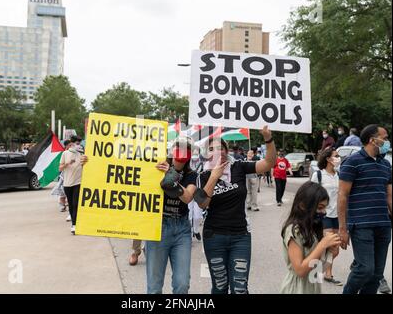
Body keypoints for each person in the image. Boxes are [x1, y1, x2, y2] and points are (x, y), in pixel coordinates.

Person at [194, 126, 276, 294]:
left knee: (240, 288)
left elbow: (269, 163)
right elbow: (203, 203)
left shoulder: (239, 166)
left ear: (226, 150)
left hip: (240, 237)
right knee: (220, 287)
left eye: (221, 147)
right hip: (214, 236)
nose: (218, 151)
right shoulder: (202, 176)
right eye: (212, 149)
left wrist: (268, 139)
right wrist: (214, 176)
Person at [338, 124, 392, 294]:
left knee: (376, 274)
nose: (387, 142)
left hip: (383, 225)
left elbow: (390, 196)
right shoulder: (352, 162)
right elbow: (342, 196)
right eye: (384, 138)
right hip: (361, 225)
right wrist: (342, 228)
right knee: (365, 269)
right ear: (372, 140)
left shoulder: (386, 165)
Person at [146, 137, 197, 294]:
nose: (181, 152)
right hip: (157, 227)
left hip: (181, 229)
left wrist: (171, 174)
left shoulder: (191, 174)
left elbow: (187, 197)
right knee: (154, 287)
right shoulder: (155, 165)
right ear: (171, 150)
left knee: (182, 284)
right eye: (178, 147)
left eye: (185, 149)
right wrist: (89, 162)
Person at [280, 181, 341, 294]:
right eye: (320, 207)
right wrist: (322, 245)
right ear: (303, 206)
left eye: (325, 208)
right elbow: (300, 270)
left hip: (313, 285)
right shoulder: (294, 231)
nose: (324, 212)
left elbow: (318, 268)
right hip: (297, 289)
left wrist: (332, 251)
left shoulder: (313, 228)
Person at [310, 147, 342, 285]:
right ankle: (315, 275)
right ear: (328, 159)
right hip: (323, 215)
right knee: (324, 246)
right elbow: (310, 195)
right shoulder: (318, 175)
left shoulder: (339, 175)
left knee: (335, 249)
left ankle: (326, 273)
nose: (338, 158)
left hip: (338, 216)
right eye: (336, 155)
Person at [59, 139, 86, 235]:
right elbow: (60, 168)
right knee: (70, 204)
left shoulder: (81, 155)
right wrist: (68, 163)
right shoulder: (65, 154)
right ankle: (74, 221)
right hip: (67, 183)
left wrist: (85, 160)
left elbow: (86, 166)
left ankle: (75, 224)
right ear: (69, 146)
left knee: (75, 203)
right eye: (72, 144)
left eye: (76, 144)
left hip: (78, 183)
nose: (74, 146)